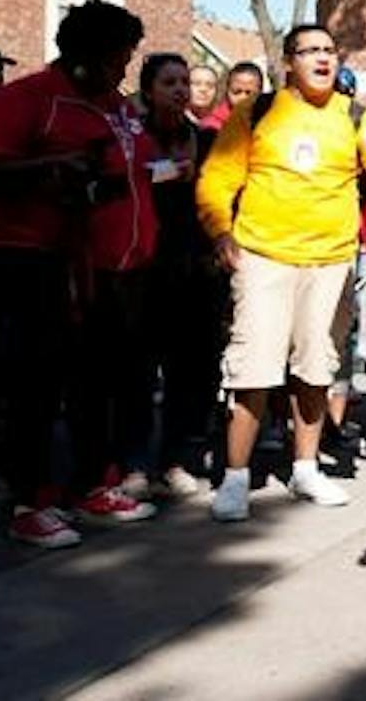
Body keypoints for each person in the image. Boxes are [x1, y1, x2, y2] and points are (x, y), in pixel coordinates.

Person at [197, 23, 366, 522]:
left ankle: (306, 468)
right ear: (289, 61)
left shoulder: (356, 116)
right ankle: (236, 477)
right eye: (310, 51)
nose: (322, 59)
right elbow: (217, 179)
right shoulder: (258, 111)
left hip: (330, 261)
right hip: (263, 257)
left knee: (315, 366)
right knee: (253, 370)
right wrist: (221, 231)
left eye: (330, 51)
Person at [0, 0, 160, 547]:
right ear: (85, 55)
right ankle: (29, 502)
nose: (124, 70)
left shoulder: (117, 105)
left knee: (95, 384)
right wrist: (56, 168)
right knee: (36, 383)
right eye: (117, 59)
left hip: (108, 265)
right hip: (34, 257)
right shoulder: (26, 98)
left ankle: (91, 486)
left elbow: (127, 169)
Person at [136, 52, 222, 496]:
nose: (180, 89)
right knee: (138, 369)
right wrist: (167, 174)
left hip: (197, 271)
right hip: (144, 268)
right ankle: (132, 464)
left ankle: (172, 460)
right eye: (169, 81)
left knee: (190, 373)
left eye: (184, 81)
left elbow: (226, 196)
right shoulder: (134, 135)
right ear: (148, 89)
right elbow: (125, 181)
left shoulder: (207, 141)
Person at [200, 61, 265, 132]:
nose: (243, 98)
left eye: (249, 93)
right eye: (236, 92)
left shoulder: (268, 122)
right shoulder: (212, 126)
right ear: (227, 90)